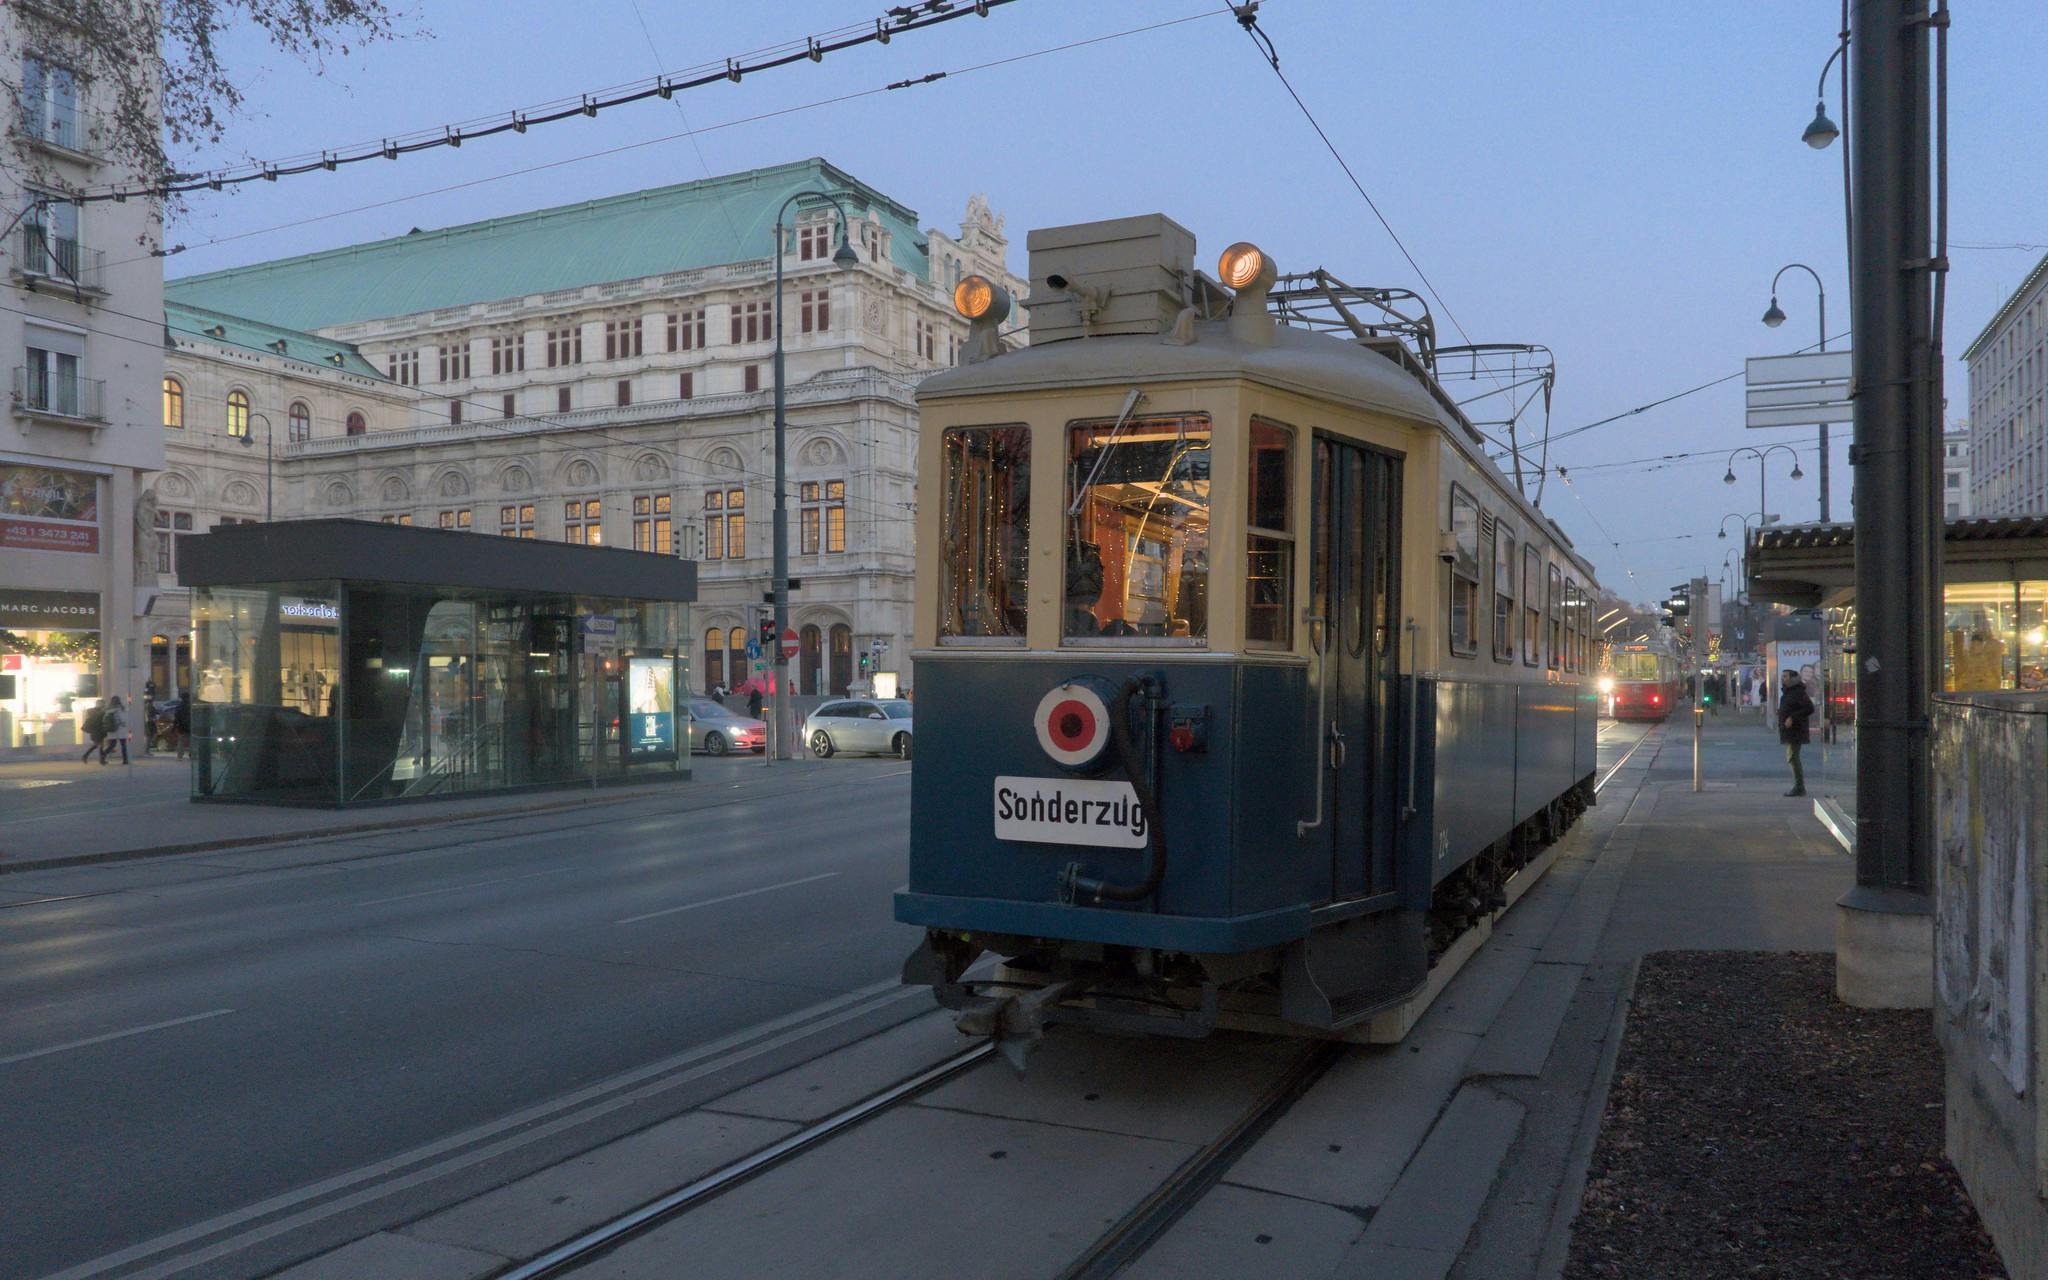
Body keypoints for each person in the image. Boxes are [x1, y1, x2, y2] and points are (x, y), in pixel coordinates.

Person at [1778, 670, 1815, 797]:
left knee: (1793, 757)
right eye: (1782, 676)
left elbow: (1809, 708)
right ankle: (1799, 786)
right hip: (1790, 730)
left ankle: (1799, 787)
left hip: (1796, 730)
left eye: (1785, 676)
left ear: (1792, 679)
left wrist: (1792, 718)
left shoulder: (1798, 692)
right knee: (1792, 757)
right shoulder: (1788, 691)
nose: (1783, 678)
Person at [99, 696, 131, 766]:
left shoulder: (108, 709)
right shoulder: (121, 708)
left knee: (112, 745)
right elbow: (124, 719)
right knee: (123, 745)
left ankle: (103, 756)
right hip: (121, 729)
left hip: (112, 730)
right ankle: (125, 760)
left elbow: (104, 719)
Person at [80, 698, 107, 763]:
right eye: (103, 704)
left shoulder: (92, 711)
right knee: (98, 745)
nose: (104, 705)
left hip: (96, 730)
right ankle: (86, 756)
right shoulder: (99, 712)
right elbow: (98, 721)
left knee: (99, 745)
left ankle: (101, 759)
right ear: (99, 704)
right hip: (97, 730)